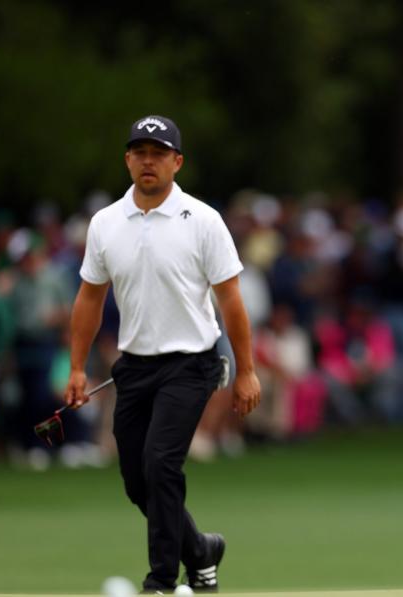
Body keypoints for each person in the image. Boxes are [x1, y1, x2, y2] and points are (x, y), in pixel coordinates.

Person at [64, 115, 261, 593]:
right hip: (134, 366)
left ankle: (162, 580)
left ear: (177, 162)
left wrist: (247, 371)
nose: (148, 161)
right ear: (128, 160)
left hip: (190, 364)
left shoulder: (203, 220)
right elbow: (90, 298)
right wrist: (74, 367)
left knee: (161, 465)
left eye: (158, 153)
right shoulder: (106, 223)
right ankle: (200, 550)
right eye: (139, 152)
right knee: (136, 479)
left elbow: (230, 299)